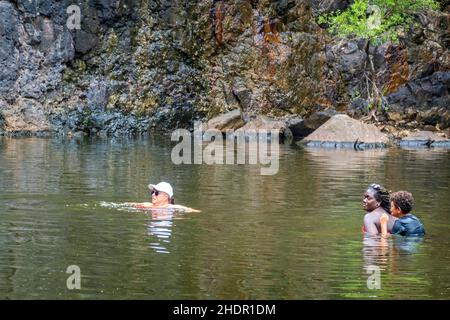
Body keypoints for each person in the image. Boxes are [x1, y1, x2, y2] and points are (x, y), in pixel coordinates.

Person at [128, 181, 200, 212]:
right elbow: (126, 204)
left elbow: (190, 210)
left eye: (156, 193)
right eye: (152, 192)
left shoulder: (171, 207)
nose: (153, 194)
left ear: (166, 196)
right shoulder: (147, 205)